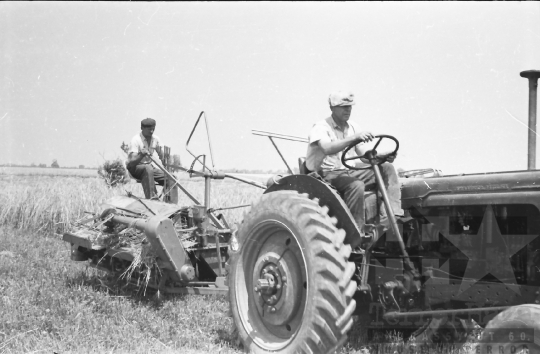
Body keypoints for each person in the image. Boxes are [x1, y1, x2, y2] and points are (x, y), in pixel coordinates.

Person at [305, 91, 405, 233]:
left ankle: (391, 216)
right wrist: (354, 138)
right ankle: (356, 233)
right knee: (355, 185)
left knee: (387, 168)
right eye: (343, 106)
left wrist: (382, 156)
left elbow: (364, 155)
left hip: (347, 171)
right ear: (332, 108)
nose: (348, 110)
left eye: (350, 106)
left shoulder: (352, 127)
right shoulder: (321, 127)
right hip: (324, 175)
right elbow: (327, 148)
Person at [127, 118, 166, 199]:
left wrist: (166, 162)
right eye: (149, 130)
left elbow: (163, 157)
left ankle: (171, 204)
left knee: (171, 179)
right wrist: (141, 155)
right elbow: (131, 162)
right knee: (148, 168)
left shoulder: (155, 139)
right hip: (135, 168)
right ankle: (152, 199)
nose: (151, 132)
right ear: (142, 128)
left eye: (153, 129)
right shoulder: (136, 140)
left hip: (148, 167)